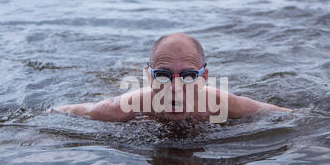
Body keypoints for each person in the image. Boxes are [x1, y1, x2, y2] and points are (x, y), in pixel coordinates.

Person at [52, 33, 291, 122]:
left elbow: (290, 117)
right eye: (163, 76)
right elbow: (60, 111)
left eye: (188, 76)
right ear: (148, 76)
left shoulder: (226, 105)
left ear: (204, 77)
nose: (175, 88)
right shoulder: (117, 109)